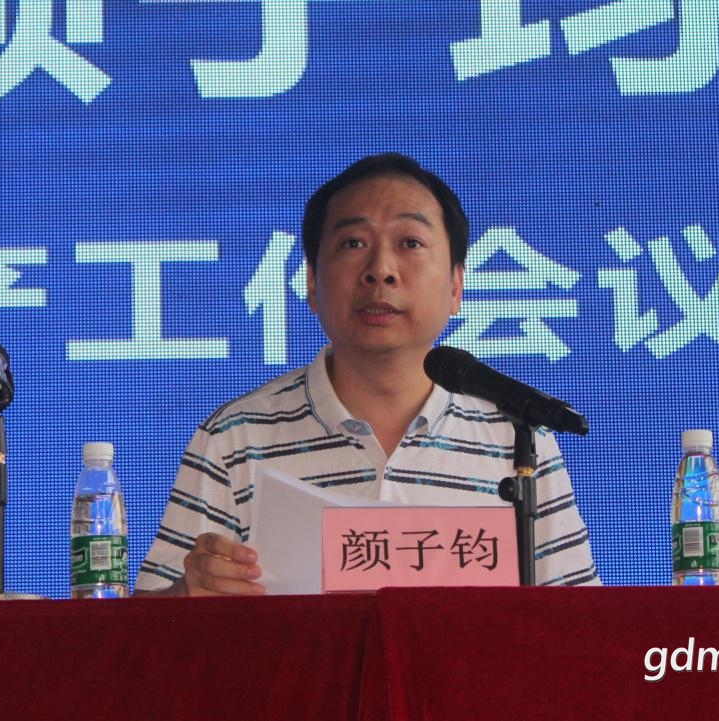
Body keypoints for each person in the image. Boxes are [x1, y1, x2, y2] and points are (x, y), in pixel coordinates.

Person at [135, 153, 599, 596]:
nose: (381, 270)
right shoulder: (235, 437)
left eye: (410, 243)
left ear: (456, 285)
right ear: (312, 282)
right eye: (353, 243)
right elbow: (144, 629)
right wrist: (188, 594)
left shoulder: (517, 438)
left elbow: (580, 625)